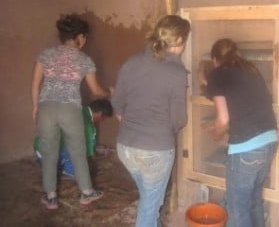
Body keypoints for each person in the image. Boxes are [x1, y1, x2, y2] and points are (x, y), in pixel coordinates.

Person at [112, 15, 190, 227]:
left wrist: (132, 125)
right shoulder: (177, 72)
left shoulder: (132, 62)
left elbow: (117, 103)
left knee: (149, 198)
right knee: (149, 206)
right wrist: (163, 131)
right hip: (156, 150)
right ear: (180, 41)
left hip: (126, 148)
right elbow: (179, 119)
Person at [31, 14, 113, 210]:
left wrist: (35, 106)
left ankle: (50, 197)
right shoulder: (84, 59)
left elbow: (35, 83)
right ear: (81, 37)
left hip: (46, 108)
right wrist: (108, 92)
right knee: (78, 151)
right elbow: (96, 91)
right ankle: (86, 192)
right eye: (84, 37)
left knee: (49, 152)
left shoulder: (46, 54)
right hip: (70, 109)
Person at [202, 38, 278, 227]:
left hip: (247, 147)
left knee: (238, 208)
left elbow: (224, 120)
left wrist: (215, 132)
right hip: (270, 140)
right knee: (254, 201)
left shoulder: (218, 74)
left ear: (214, 59)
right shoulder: (250, 70)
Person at [33, 99, 114, 178]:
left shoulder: (76, 108)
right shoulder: (88, 126)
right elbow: (89, 155)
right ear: (100, 113)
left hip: (39, 145)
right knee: (83, 172)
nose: (101, 121)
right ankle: (66, 169)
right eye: (103, 118)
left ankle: (48, 163)